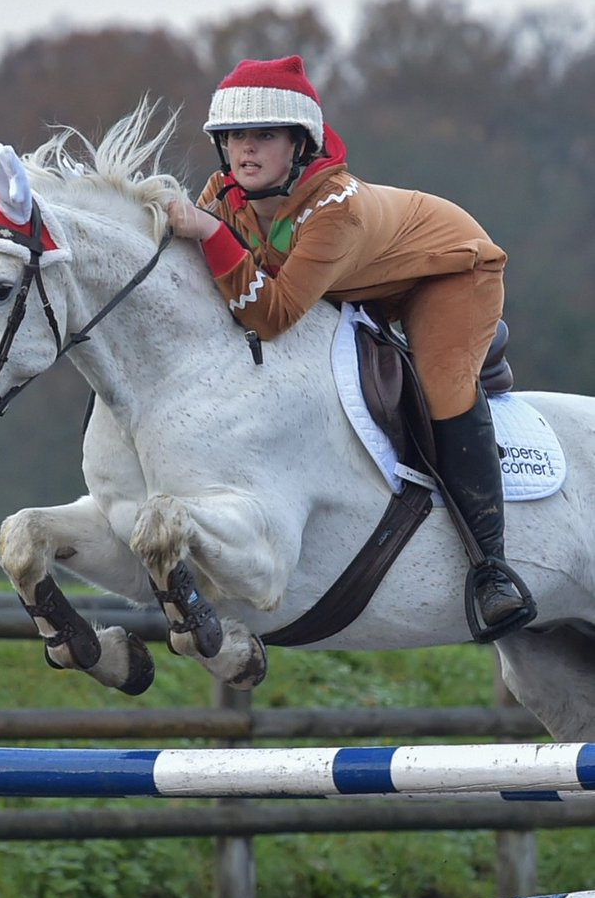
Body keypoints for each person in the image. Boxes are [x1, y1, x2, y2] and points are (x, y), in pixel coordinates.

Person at [168, 54, 535, 638]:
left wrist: (210, 234)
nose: (246, 150)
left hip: (447, 272)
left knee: (442, 388)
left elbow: (274, 314)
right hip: (362, 283)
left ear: (300, 145)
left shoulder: (334, 209)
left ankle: (492, 570)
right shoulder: (224, 195)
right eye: (235, 136)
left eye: (264, 136)